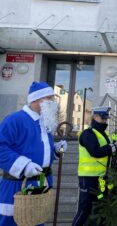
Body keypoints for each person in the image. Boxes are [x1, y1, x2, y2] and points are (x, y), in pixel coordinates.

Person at [0, 82, 67, 226]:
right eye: (49, 98)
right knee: (12, 221)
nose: (53, 102)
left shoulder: (45, 122)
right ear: (36, 100)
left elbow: (40, 151)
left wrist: (56, 150)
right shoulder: (15, 120)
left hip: (41, 183)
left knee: (36, 220)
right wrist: (24, 165)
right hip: (17, 185)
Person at [72, 107, 117, 226]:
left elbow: (107, 154)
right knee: (84, 210)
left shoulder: (104, 134)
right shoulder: (88, 134)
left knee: (99, 209)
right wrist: (113, 146)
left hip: (101, 178)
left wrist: (116, 160)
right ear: (94, 117)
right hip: (88, 178)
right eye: (103, 118)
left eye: (106, 119)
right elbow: (96, 152)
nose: (105, 122)